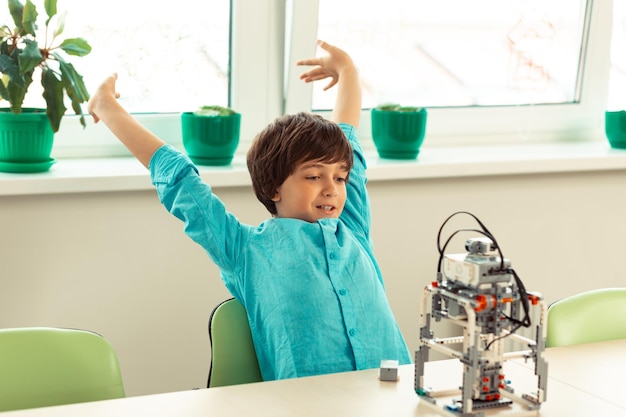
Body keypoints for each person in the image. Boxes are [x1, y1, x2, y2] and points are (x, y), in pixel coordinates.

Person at [88, 40, 411, 381]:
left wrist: (347, 72)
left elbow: (349, 144)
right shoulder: (245, 250)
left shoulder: (352, 228)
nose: (332, 187)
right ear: (273, 188)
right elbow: (182, 185)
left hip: (396, 400)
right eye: (314, 176)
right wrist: (107, 107)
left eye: (340, 178)